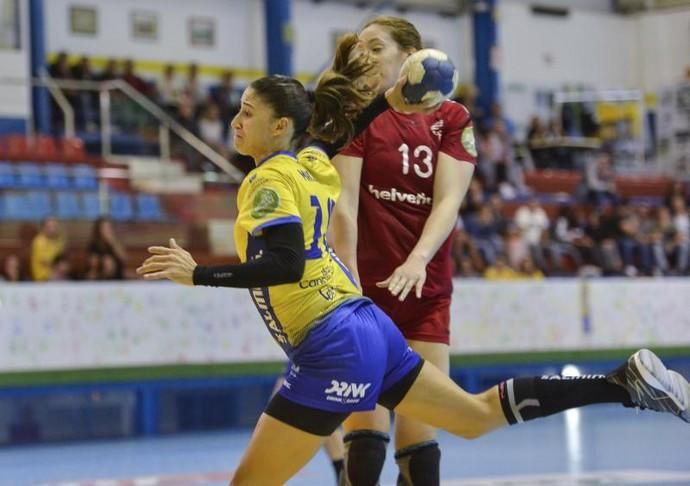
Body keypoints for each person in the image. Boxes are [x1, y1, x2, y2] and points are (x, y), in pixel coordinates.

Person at [137, 46, 690, 486]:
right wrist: (394, 95)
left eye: (247, 113)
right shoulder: (309, 163)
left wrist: (199, 275)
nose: (235, 122)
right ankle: (623, 383)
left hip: (331, 343)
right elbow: (348, 135)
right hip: (368, 325)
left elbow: (282, 263)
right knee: (473, 418)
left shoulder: (265, 181)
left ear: (280, 127)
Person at [330, 17, 477, 484]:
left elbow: (449, 199)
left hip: (426, 292)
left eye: (377, 47)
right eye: (361, 48)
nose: (365, 56)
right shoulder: (355, 114)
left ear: (411, 55)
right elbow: (344, 207)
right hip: (365, 291)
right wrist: (349, 288)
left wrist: (417, 260)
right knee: (366, 445)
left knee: (421, 449)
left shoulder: (453, 119)